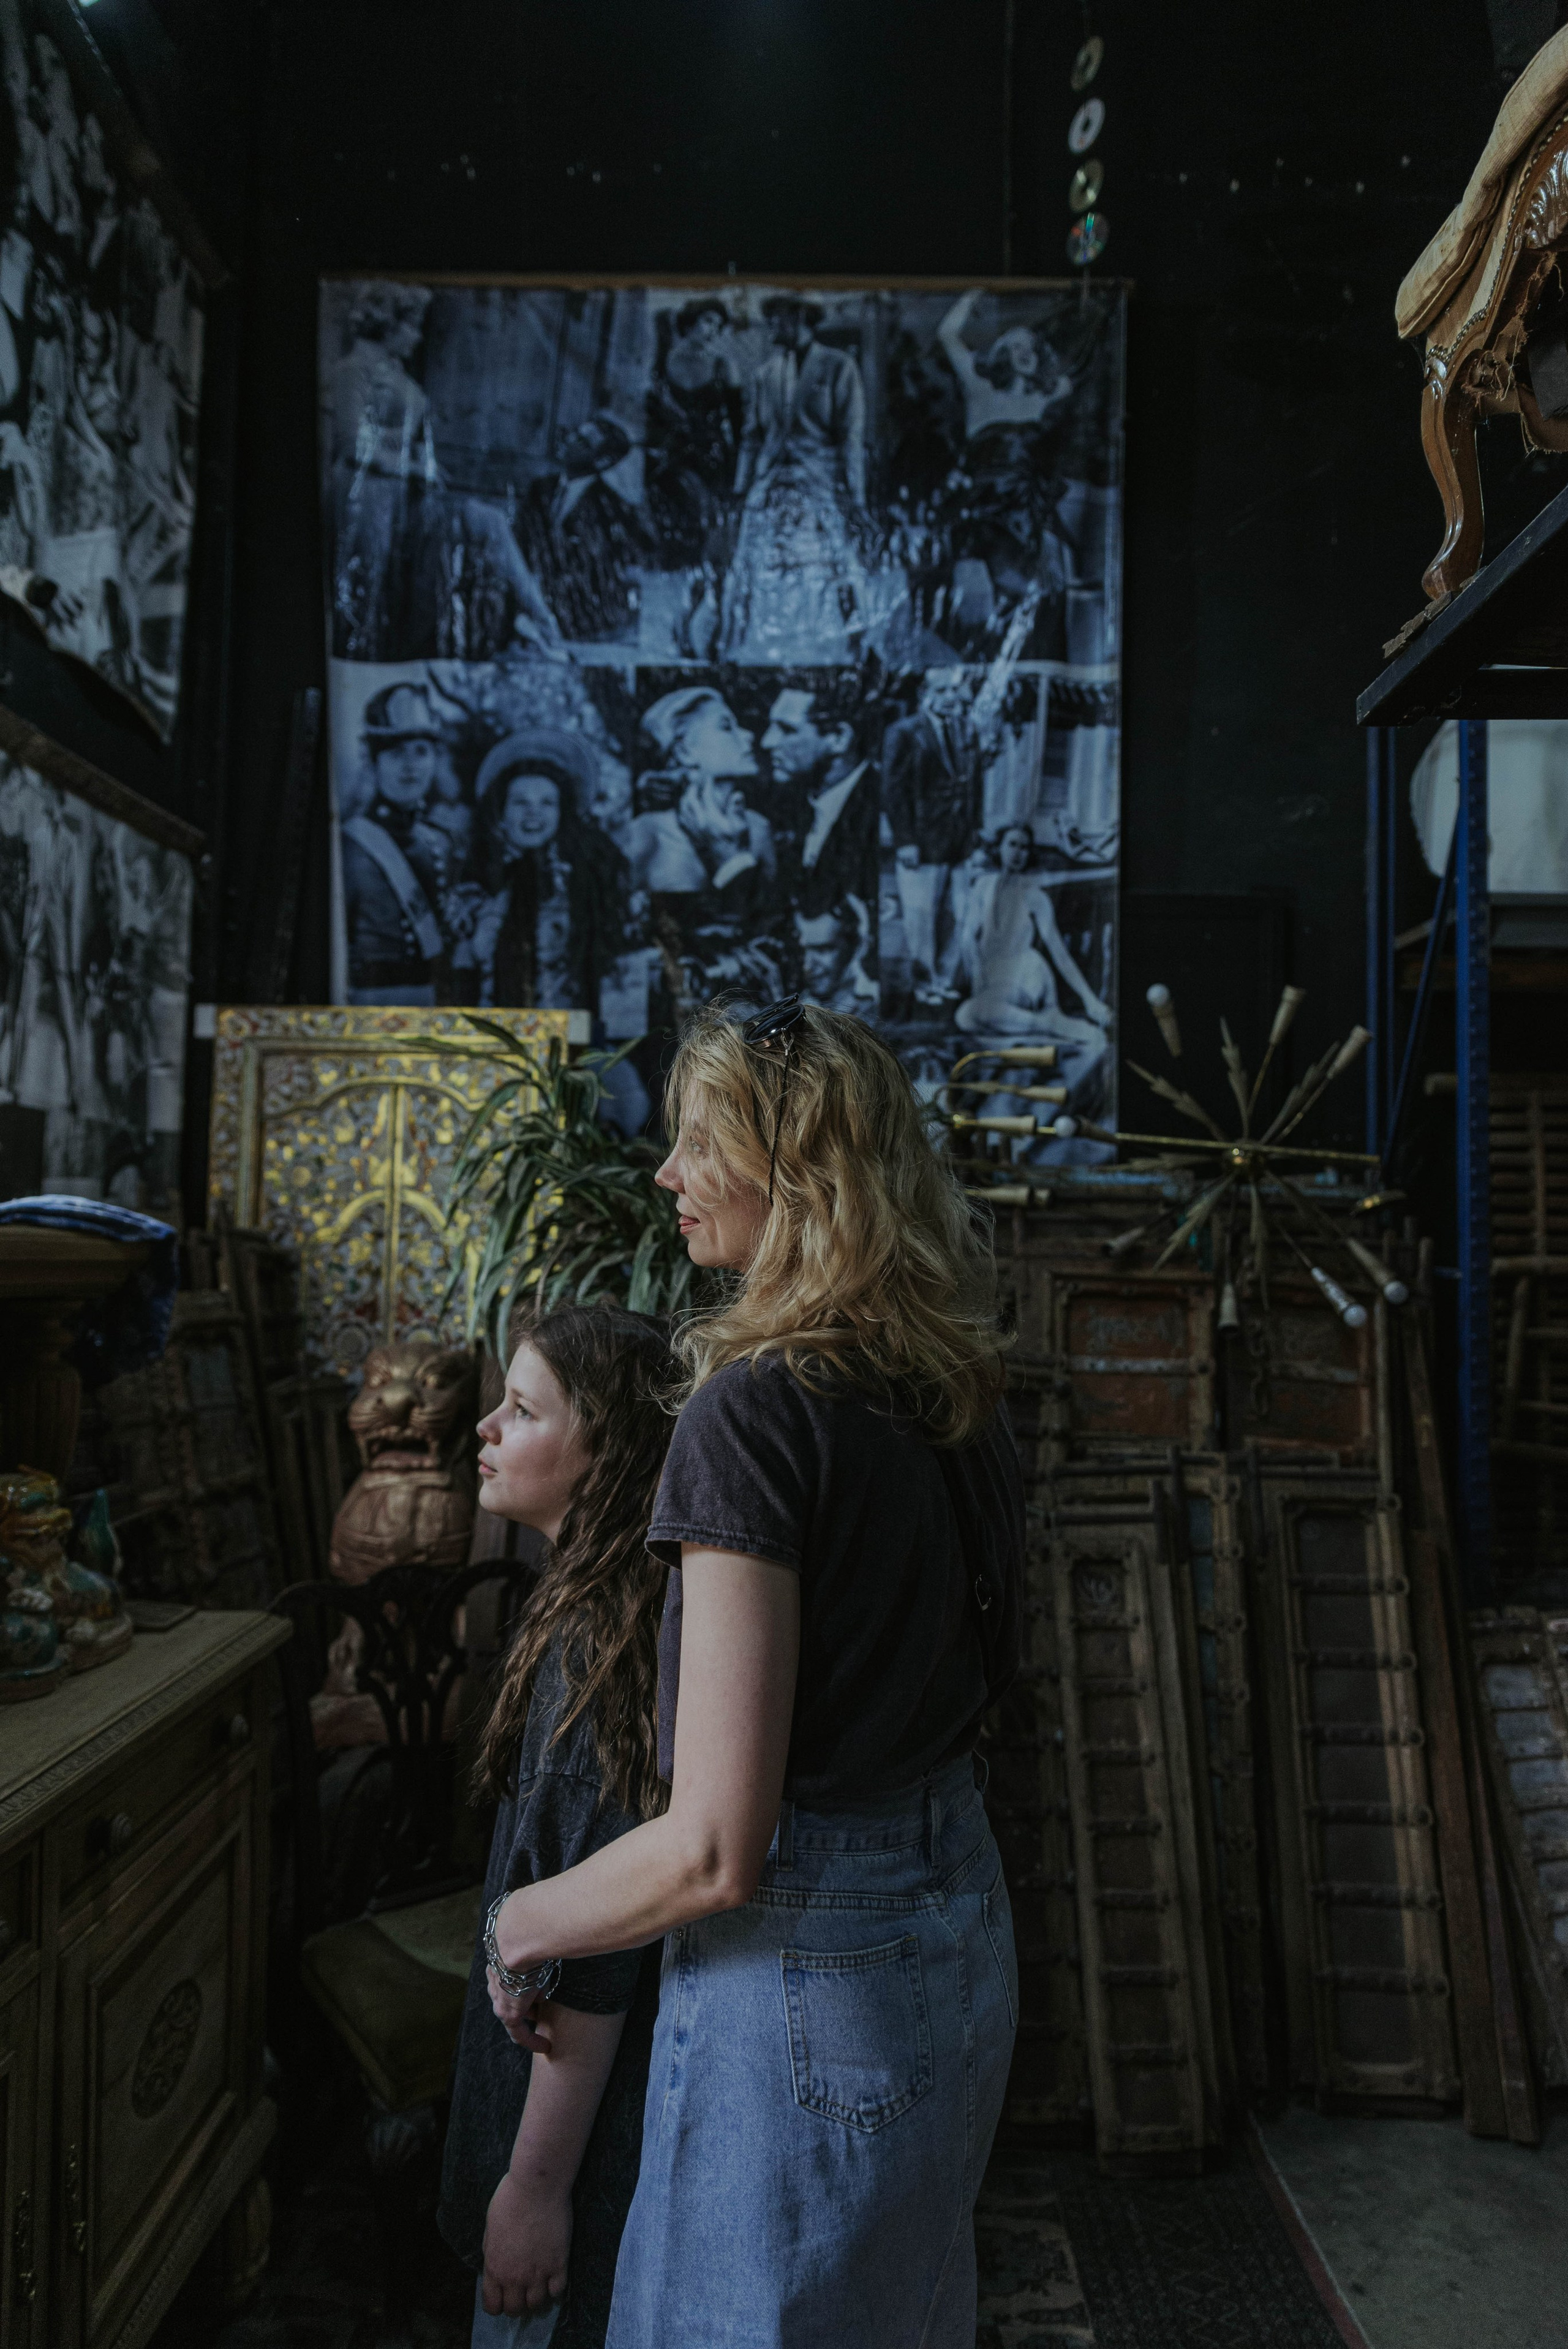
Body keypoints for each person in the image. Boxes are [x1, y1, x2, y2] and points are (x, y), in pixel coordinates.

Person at [484, 1000, 1024, 2348]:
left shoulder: (752, 1412)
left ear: (795, 1174)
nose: (664, 1177)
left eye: (696, 1145)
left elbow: (717, 1848)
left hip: (810, 1970)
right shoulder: (944, 1385)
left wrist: (520, 1922)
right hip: (956, 1927)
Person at [439, 1304, 676, 2349]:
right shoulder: (597, 1601)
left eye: (523, 1409)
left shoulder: (596, 1647)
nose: (486, 1427)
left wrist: (532, 2191)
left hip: (568, 2142)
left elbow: (595, 1961)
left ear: (607, 1454)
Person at [718, 295, 869, 664]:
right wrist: (741, 489)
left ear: (800, 317)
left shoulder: (839, 367)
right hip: (770, 481)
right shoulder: (765, 374)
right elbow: (752, 438)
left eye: (778, 318)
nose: (772, 326)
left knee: (841, 563)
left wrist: (855, 497)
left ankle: (861, 646)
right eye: (768, 318)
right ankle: (728, 644)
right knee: (745, 561)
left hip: (821, 482)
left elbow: (851, 437)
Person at [452, 729, 628, 1015]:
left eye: (547, 803)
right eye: (521, 802)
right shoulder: (475, 885)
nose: (533, 813)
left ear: (562, 812)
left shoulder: (581, 884)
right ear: (502, 812)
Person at [955, 820, 1113, 1077]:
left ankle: (1049, 1023)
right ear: (999, 848)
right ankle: (1047, 1026)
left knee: (973, 1015)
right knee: (966, 1018)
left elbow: (1059, 953)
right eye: (1013, 845)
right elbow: (968, 940)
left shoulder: (1036, 896)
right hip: (992, 974)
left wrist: (1090, 1000)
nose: (1019, 853)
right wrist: (978, 980)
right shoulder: (983, 886)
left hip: (1026, 971)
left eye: (1025, 847)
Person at [341, 682, 455, 1003]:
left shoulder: (441, 843)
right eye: (396, 753)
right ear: (373, 760)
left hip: (434, 1002)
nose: (411, 766)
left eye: (421, 752)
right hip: (368, 1002)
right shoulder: (351, 844)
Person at [883, 668, 985, 1005]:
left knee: (957, 915)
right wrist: (905, 841)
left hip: (959, 842)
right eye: (942, 690)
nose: (950, 697)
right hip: (921, 844)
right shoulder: (904, 732)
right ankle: (924, 985)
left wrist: (975, 834)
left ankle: (943, 979)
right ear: (924, 693)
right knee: (920, 918)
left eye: (954, 690)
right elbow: (893, 791)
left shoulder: (965, 730)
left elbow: (972, 786)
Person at [516, 414, 652, 645]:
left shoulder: (610, 508)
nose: (569, 441)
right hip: (533, 620)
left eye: (584, 442)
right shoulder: (540, 489)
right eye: (575, 434)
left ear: (602, 461)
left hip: (585, 630)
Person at [760, 675, 880, 924]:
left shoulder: (880, 809)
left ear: (838, 738)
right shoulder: (785, 803)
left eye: (787, 730)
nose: (767, 742)